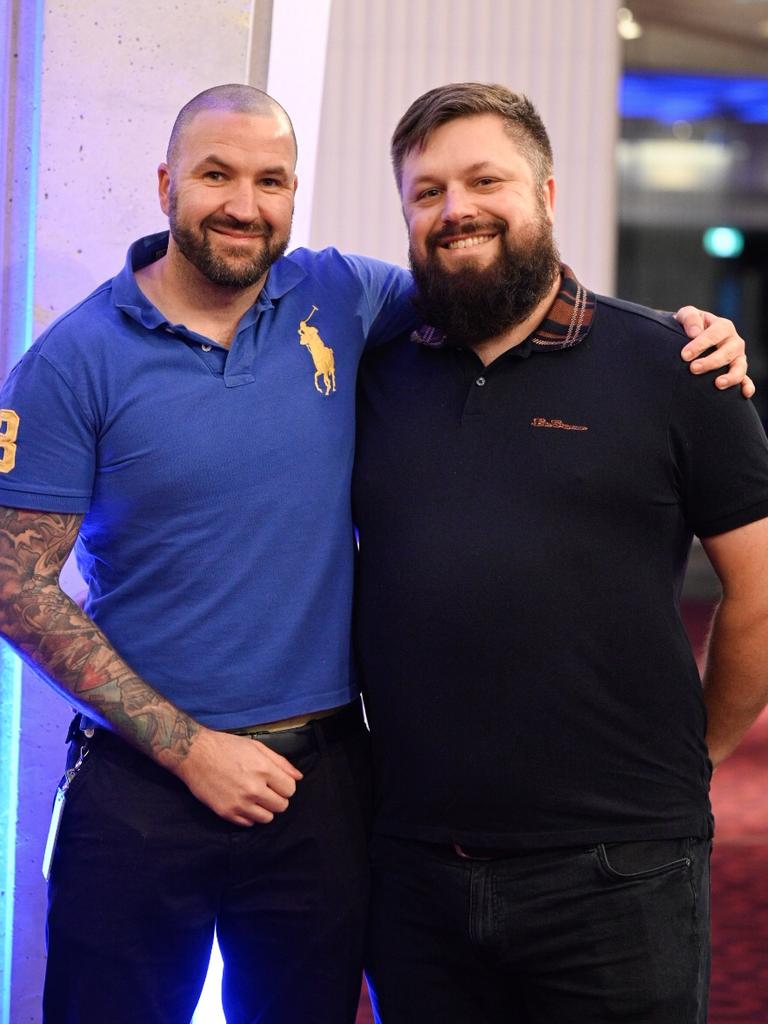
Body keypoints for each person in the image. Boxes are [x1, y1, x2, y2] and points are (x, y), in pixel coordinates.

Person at [0, 83, 751, 1024]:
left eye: (270, 179)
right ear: (165, 185)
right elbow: (11, 580)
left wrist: (685, 338)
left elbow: (501, 290)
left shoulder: (345, 299)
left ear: (294, 192)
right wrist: (190, 750)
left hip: (327, 791)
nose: (243, 202)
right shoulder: (74, 357)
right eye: (215, 174)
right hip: (142, 785)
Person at [353, 83, 768, 1024]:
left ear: (545, 192)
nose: (456, 209)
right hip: (415, 866)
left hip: (618, 872)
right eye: (427, 192)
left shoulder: (679, 367)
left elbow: (760, 591)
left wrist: (697, 751)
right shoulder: (374, 369)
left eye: (484, 179)